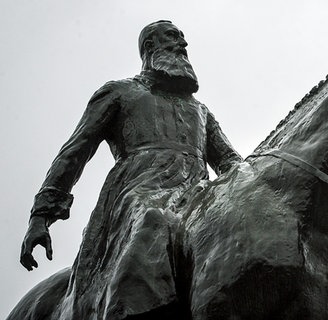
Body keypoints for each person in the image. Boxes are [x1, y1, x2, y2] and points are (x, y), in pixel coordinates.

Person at [19, 20, 242, 319]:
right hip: (139, 192)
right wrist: (40, 215)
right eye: (174, 38)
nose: (183, 45)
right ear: (151, 46)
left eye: (184, 39)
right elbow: (76, 150)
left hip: (196, 195)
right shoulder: (120, 92)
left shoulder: (201, 112)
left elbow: (230, 163)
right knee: (153, 218)